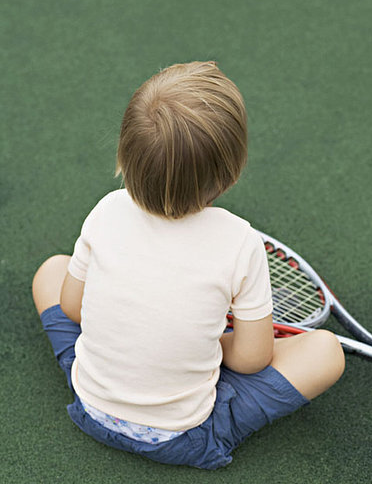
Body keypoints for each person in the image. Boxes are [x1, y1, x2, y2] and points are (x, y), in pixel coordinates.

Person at [32, 61, 345, 470]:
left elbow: (73, 308)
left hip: (92, 406)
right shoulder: (240, 243)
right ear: (229, 175)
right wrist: (209, 342)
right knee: (326, 351)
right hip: (184, 435)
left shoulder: (106, 210)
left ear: (125, 155)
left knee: (52, 270)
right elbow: (252, 359)